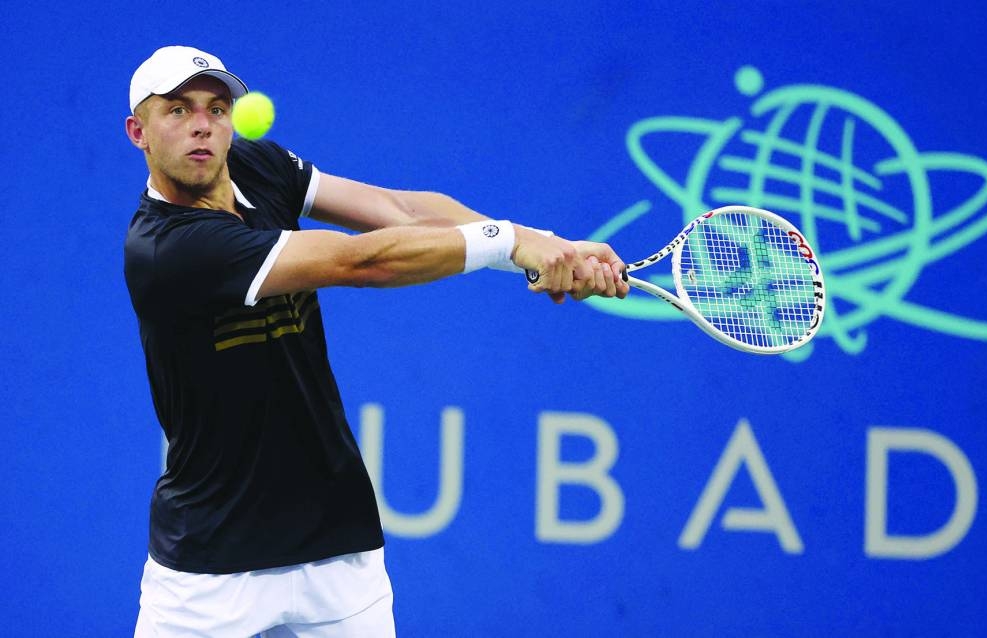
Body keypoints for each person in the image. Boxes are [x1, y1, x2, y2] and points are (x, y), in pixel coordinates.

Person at [123, 45, 628, 638]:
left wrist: (545, 246)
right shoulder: (166, 249)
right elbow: (361, 261)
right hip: (209, 570)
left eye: (216, 107)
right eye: (177, 111)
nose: (202, 124)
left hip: (338, 551)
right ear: (139, 133)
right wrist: (510, 241)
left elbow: (398, 211)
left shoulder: (257, 166)